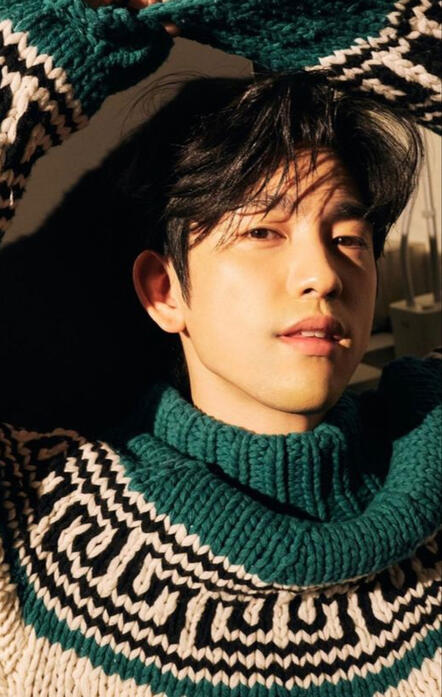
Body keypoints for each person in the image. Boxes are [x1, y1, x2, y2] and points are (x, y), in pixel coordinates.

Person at [0, 1, 440, 696]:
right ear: (165, 290)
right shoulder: (40, 521)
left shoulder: (431, 451)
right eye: (263, 232)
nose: (324, 275)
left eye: (348, 239)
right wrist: (80, 32)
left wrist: (306, 16)